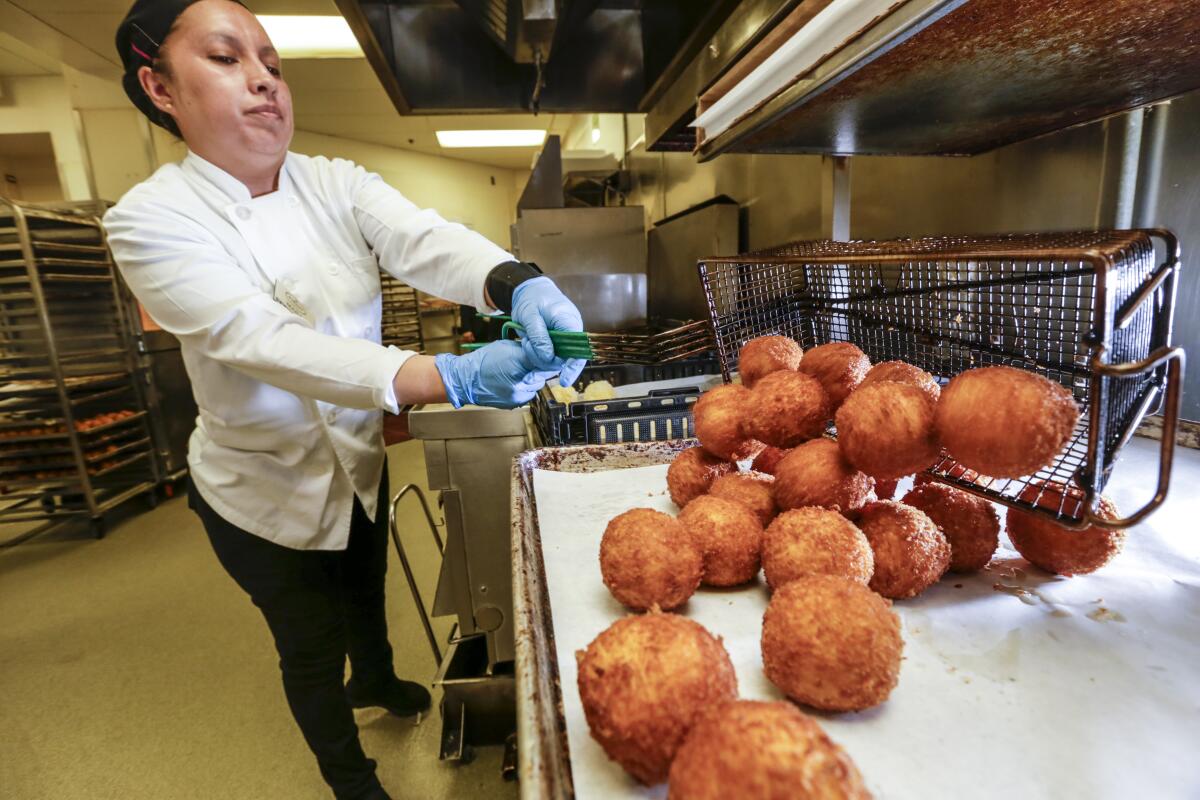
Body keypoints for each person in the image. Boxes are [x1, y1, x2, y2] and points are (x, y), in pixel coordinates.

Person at [103, 2, 586, 798]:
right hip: (259, 493)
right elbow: (257, 338)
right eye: (227, 60)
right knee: (311, 644)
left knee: (366, 590)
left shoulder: (332, 182)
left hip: (354, 458)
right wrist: (447, 376)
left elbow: (421, 237)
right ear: (159, 87)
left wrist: (517, 280)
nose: (263, 80)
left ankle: (383, 680)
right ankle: (351, 779)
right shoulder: (150, 220)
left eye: (271, 61)